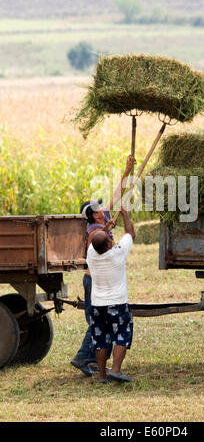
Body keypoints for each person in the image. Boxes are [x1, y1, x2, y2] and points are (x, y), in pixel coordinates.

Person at [70, 155, 136, 377]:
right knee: (96, 321)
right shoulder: (92, 232)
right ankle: (83, 358)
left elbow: (116, 196)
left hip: (101, 278)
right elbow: (100, 244)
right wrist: (107, 230)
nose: (102, 210)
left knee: (99, 320)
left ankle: (94, 363)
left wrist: (126, 172)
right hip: (95, 280)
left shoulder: (102, 218)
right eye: (98, 209)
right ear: (92, 216)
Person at [87, 206, 135, 384]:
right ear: (109, 245)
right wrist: (125, 215)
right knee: (122, 334)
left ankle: (102, 375)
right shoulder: (118, 254)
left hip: (97, 305)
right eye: (109, 240)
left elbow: (97, 240)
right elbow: (130, 233)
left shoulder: (91, 255)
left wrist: (106, 227)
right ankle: (115, 369)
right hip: (117, 304)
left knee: (100, 339)